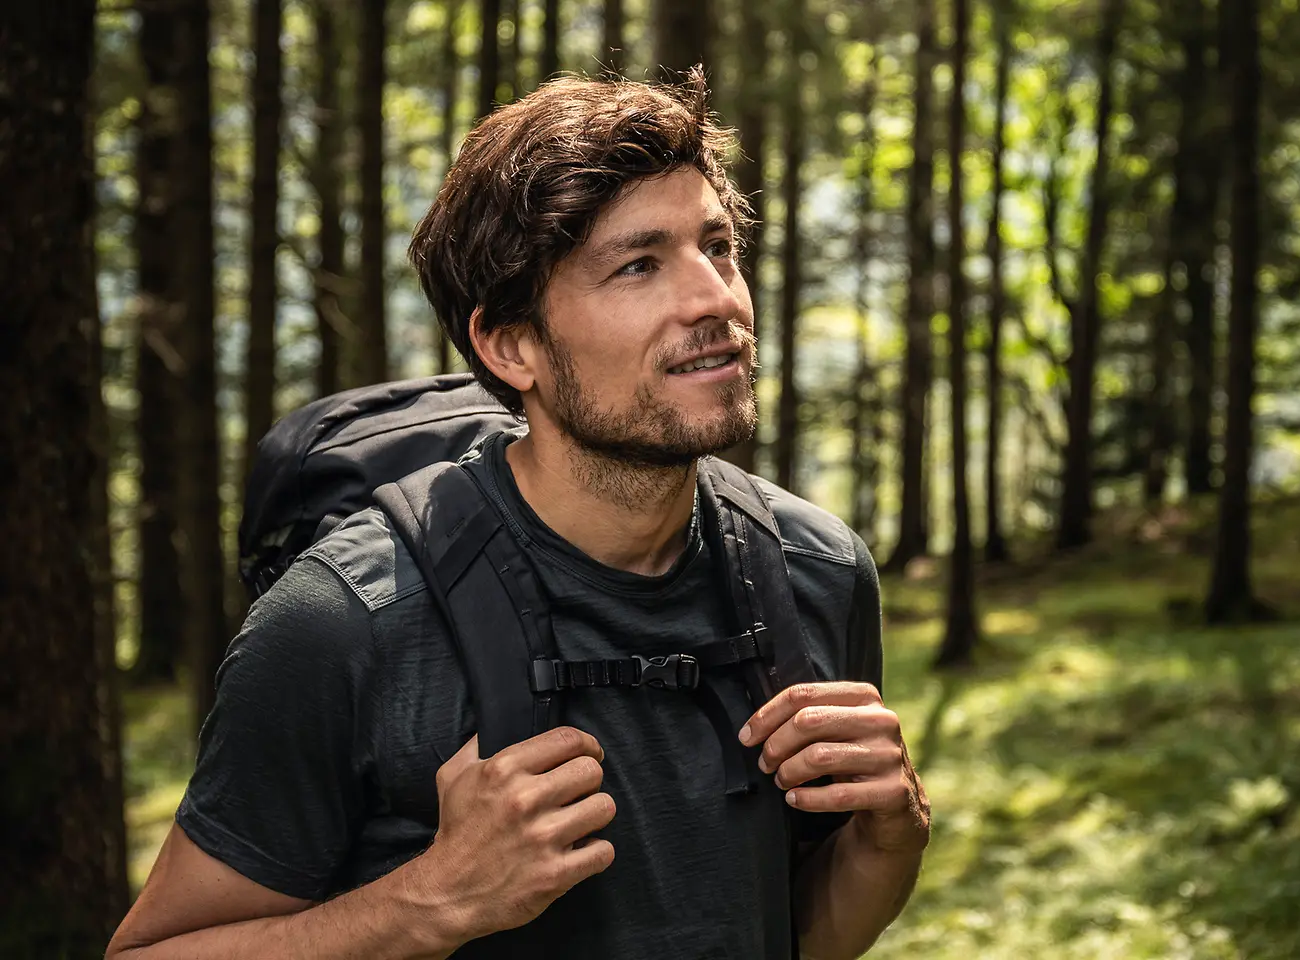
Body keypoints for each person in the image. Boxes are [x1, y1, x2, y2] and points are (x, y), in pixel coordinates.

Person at [107, 72, 929, 960]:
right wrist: (430, 900)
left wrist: (890, 839)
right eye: (638, 265)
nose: (717, 301)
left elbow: (791, 935)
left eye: (718, 246)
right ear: (511, 344)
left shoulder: (817, 571)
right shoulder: (346, 621)